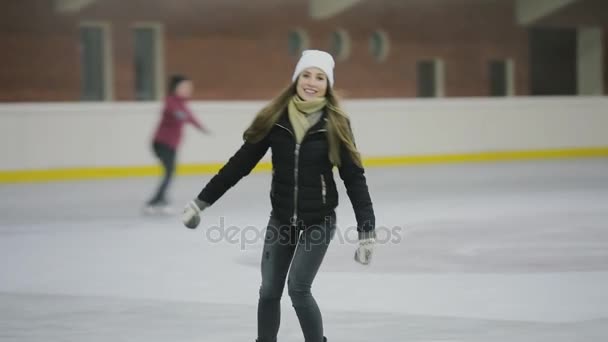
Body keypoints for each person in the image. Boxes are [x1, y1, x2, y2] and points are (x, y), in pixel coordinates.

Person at [182, 50, 376, 342]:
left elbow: (354, 178)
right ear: (296, 78)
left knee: (298, 288)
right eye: (307, 75)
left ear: (328, 84)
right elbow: (238, 165)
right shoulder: (276, 119)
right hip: (282, 220)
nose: (312, 82)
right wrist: (200, 203)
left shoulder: (335, 124)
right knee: (269, 290)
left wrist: (367, 231)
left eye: (320, 77)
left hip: (318, 222)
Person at [145, 75, 210, 214]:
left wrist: (202, 128)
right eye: (185, 87)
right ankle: (155, 201)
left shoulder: (182, 104)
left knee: (169, 172)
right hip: (162, 143)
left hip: (171, 145)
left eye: (189, 87)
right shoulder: (170, 101)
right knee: (169, 172)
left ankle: (160, 199)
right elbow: (176, 113)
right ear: (175, 88)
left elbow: (190, 117)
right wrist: (181, 115)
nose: (188, 90)